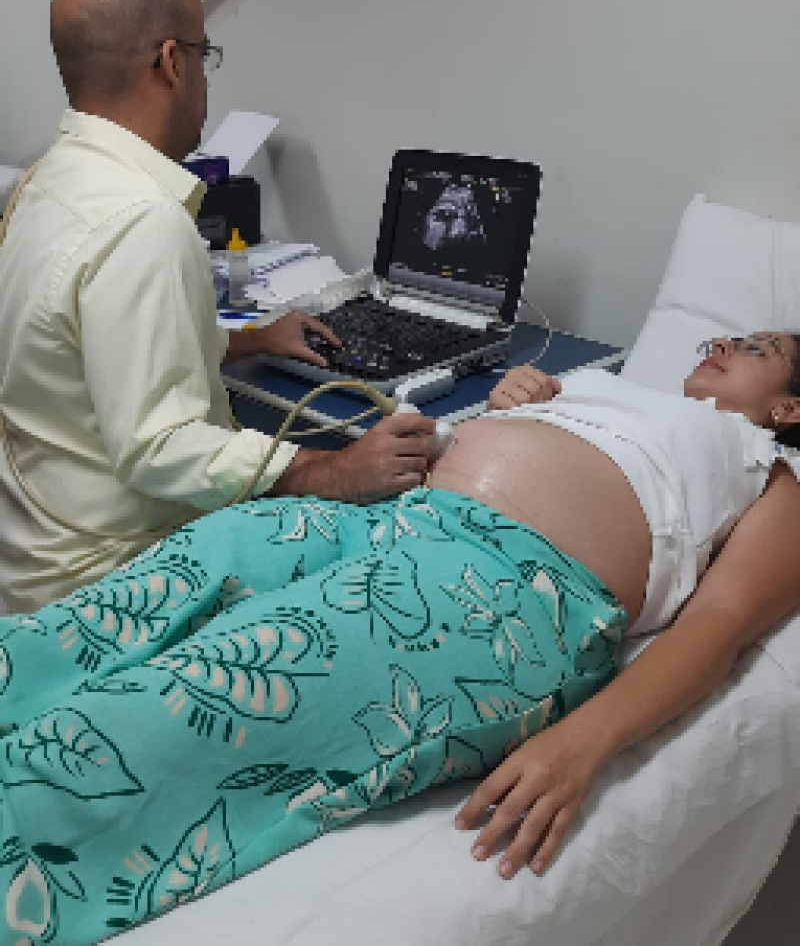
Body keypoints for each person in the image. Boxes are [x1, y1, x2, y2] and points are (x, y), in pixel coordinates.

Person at [3, 331, 800, 946]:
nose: (722, 345)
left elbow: (721, 626)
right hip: (392, 517)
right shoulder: (599, 386)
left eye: (757, 349)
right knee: (151, 589)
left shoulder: (766, 473)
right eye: (722, 338)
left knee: (203, 691)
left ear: (789, 409)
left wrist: (582, 744)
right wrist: (513, 406)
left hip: (502, 590)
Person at [0, 0, 435, 614]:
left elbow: (82, 342)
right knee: (392, 564)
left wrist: (246, 339)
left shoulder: (45, 182)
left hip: (32, 553)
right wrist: (331, 471)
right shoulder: (142, 221)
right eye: (205, 56)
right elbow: (160, 447)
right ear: (172, 63)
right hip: (107, 583)